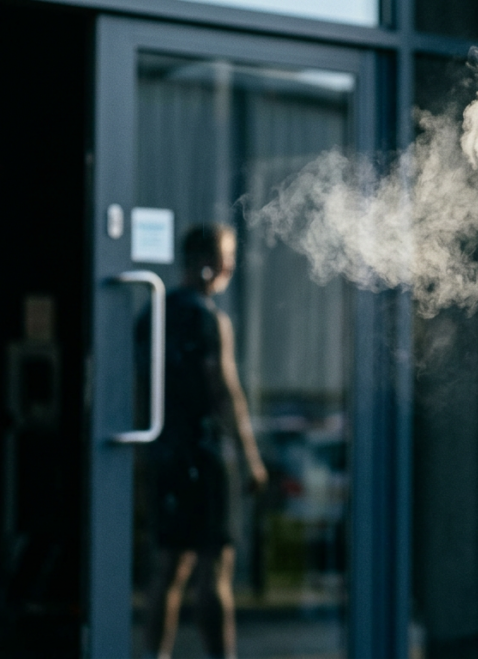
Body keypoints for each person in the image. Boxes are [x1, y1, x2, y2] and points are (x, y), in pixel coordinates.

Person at [137, 224, 268, 659]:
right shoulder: (210, 318)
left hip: (164, 454)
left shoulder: (151, 314)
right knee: (215, 569)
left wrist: (143, 459)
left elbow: (137, 392)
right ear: (208, 264)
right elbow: (225, 391)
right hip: (205, 456)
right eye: (228, 258)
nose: (231, 268)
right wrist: (251, 459)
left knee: (169, 569)